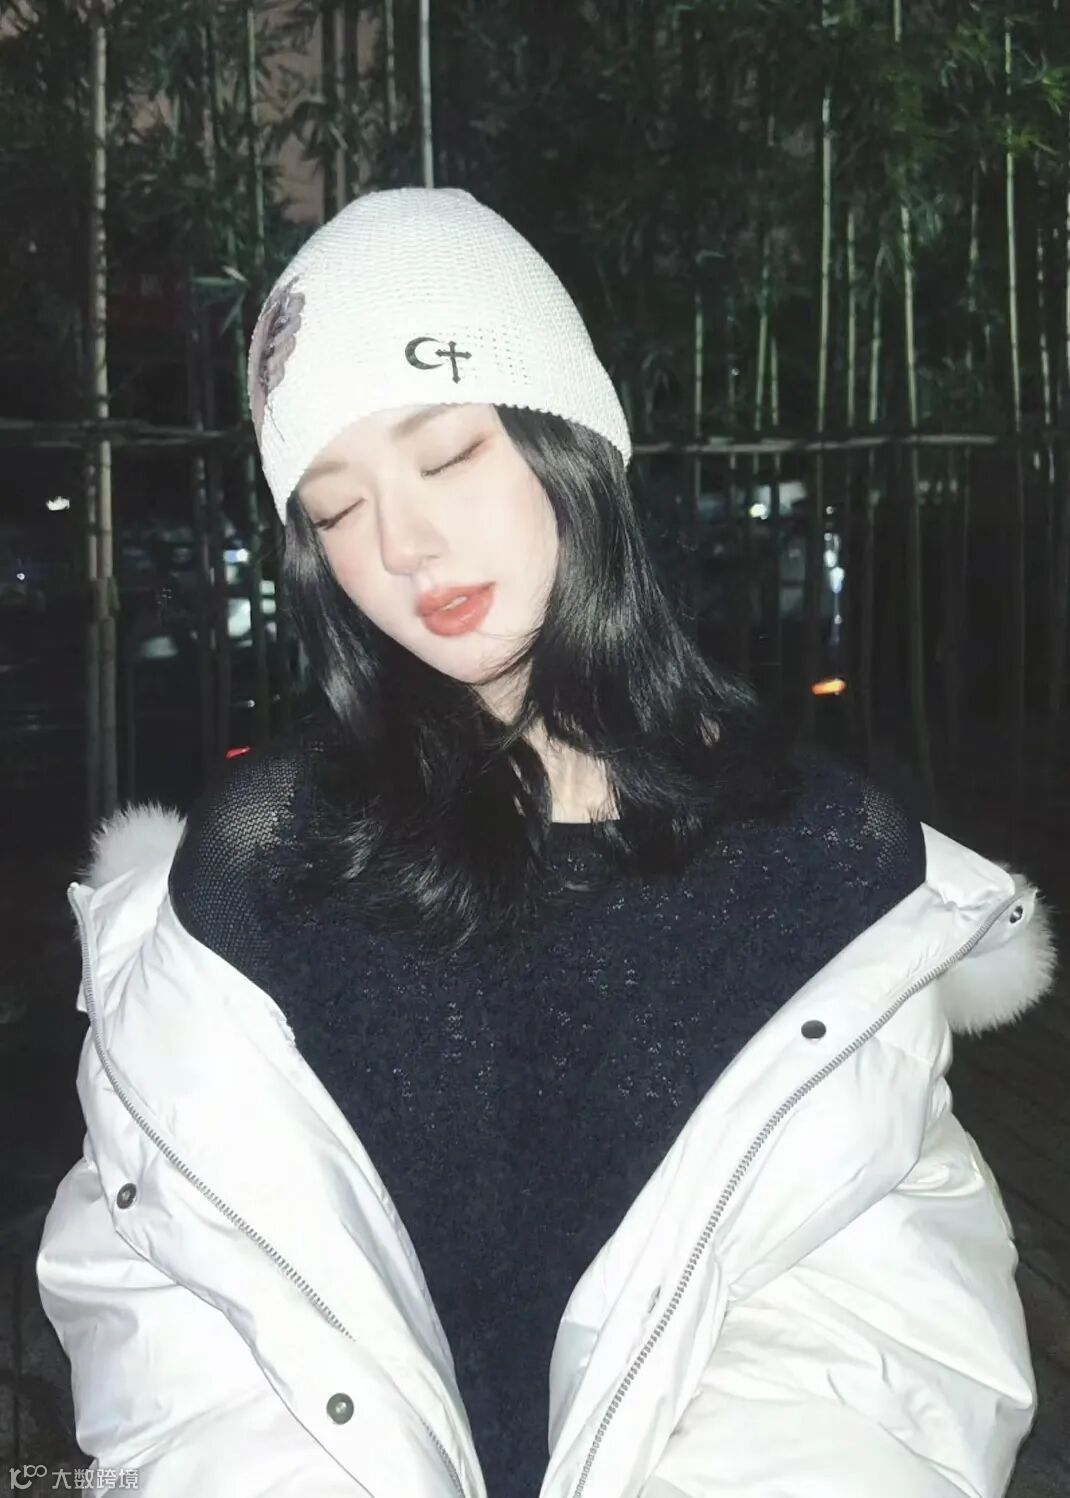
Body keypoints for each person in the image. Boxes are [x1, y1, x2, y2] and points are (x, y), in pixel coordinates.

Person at [37, 188, 1059, 1498]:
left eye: (447, 455)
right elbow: (161, 1313)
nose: (402, 545)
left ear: (569, 436)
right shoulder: (258, 865)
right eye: (335, 509)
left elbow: (889, 1349)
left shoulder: (824, 860)